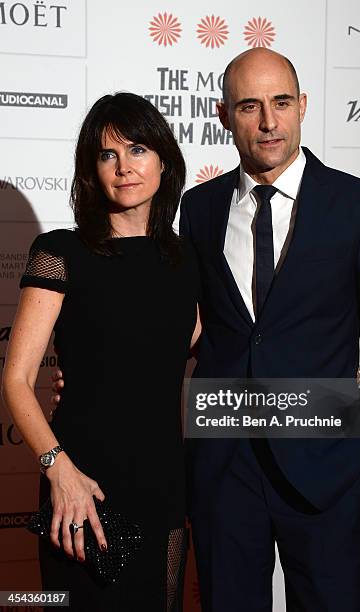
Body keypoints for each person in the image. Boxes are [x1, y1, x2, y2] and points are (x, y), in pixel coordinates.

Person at [52, 49, 360, 611]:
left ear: (303, 106)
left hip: (327, 472)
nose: (268, 122)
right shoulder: (197, 208)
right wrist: (94, 376)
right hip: (223, 472)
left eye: (280, 103)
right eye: (250, 106)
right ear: (225, 115)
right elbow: (179, 324)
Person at [1, 92, 201, 611]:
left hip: (162, 484)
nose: (124, 167)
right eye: (107, 155)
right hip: (82, 487)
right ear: (92, 169)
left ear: (163, 159)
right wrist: (57, 469)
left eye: (136, 149)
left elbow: (209, 345)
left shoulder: (187, 261)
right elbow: (17, 380)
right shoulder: (61, 253)